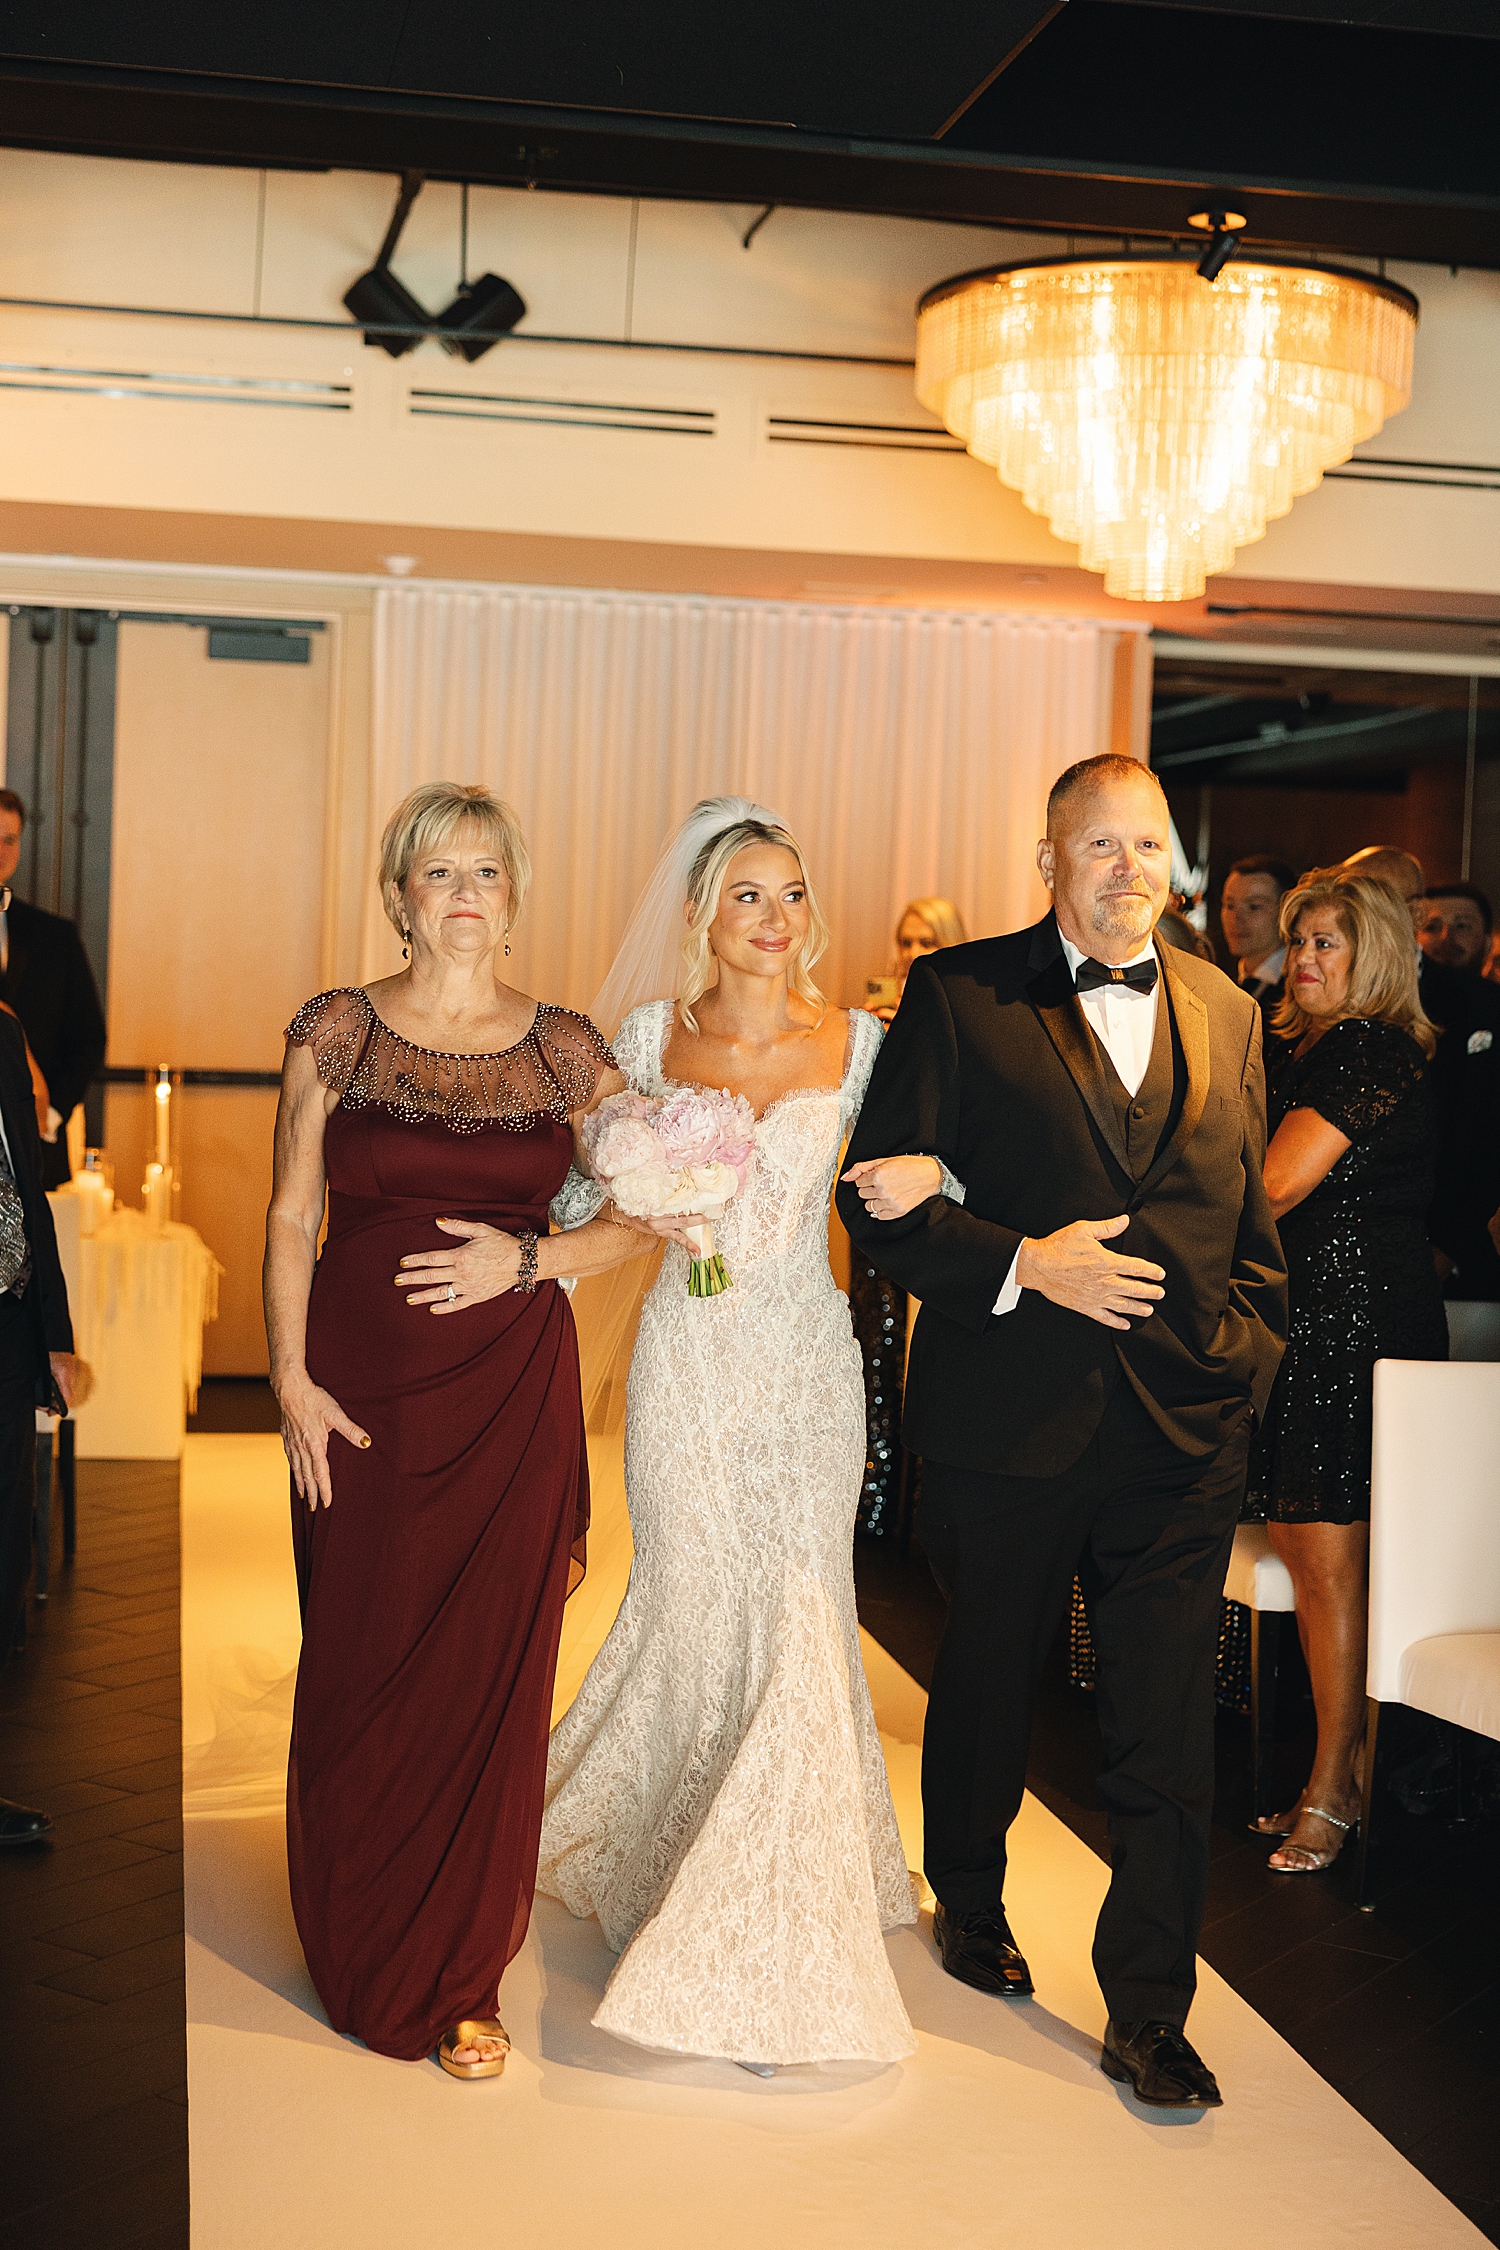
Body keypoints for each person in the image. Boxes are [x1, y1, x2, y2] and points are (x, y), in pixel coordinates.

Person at [839, 752, 1286, 2111]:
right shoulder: (962, 995)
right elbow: (876, 1203)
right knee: (988, 1680)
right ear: (1049, 861)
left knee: (1164, 1733)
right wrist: (1027, 1260)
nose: (1127, 867)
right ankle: (968, 1896)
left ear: (1173, 862)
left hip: (1180, 1437)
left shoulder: (1226, 1007)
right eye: (1099, 844)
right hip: (1010, 1420)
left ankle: (1152, 2007)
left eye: (1147, 844)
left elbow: (1248, 1226)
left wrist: (1241, 1363)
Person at [537, 798, 938, 2070]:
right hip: (689, 1359)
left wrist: (945, 1180)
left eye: (795, 893)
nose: (780, 920)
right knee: (696, 1596)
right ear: (702, 912)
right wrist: (643, 1192)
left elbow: (955, 1164)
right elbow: (581, 1189)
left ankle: (781, 1880)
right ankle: (672, 1844)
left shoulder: (868, 1044)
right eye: (752, 896)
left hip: (806, 1362)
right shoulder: (649, 1038)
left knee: (802, 1606)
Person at [264, 781, 644, 2077]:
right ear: (400, 891)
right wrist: (289, 1380)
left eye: (487, 870)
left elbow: (652, 1205)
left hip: (510, 1401)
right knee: (363, 1658)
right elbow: (288, 1217)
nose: (465, 892)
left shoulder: (565, 1049)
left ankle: (465, 1973)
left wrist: (536, 1262)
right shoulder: (336, 1027)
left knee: (493, 1674)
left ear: (514, 894)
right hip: (358, 1401)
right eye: (440, 871)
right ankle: (363, 1931)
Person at [1249, 871, 1447, 1871]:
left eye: (1329, 943)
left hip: (1357, 1321)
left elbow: (1277, 1181)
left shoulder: (1368, 1046)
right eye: (1301, 941)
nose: (1307, 961)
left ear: (1373, 956)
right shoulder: (1315, 1045)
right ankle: (1339, 1773)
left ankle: (1338, 1786)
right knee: (1312, 1547)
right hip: (1318, 1318)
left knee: (1329, 1559)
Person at [853, 895, 968, 1536]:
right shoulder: (873, 1020)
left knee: (929, 1349)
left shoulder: (963, 1012)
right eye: (906, 940)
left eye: (928, 941)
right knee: (875, 1340)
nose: (914, 953)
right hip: (873, 1202)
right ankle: (874, 1502)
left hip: (940, 1206)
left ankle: (920, 1508)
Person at [0, 1002, 85, 1841]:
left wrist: (54, 1340)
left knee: (3, 1558)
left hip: (6, 1332)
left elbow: (31, 1189)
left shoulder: (4, 1033)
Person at [0, 791, 106, 1189]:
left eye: (9, 839)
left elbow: (89, 1038)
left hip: (37, 1150)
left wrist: (53, 1114)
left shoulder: (55, 936)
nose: (0, 850)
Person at [867, 896, 968, 1025]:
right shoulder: (896, 995)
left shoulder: (966, 1003)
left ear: (952, 944)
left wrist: (909, 1026)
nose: (913, 954)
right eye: (906, 943)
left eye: (926, 944)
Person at [1220, 855, 1297, 1024]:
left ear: (1286, 911)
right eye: (1229, 905)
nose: (1235, 918)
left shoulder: (1296, 992)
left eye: (1254, 906)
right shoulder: (1220, 983)